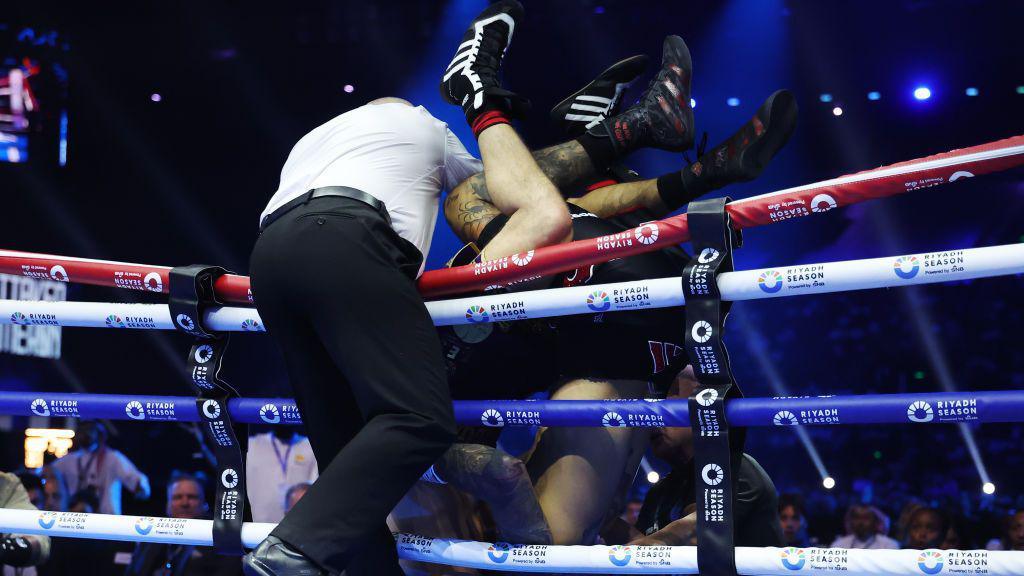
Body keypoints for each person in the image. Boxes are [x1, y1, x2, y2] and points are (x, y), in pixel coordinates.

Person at [244, 2, 571, 573]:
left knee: (347, 453)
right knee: (418, 419)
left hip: (271, 258)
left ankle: (327, 560)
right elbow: (515, 191)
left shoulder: (314, 140)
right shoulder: (426, 127)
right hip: (347, 242)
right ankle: (290, 546)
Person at [431, 44, 795, 545]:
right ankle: (517, 106)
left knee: (526, 203)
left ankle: (656, 156)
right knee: (476, 196)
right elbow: (682, 535)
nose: (667, 426)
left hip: (634, 302)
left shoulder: (638, 441)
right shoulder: (704, 454)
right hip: (617, 316)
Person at [625, 368, 783, 547]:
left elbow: (696, 532)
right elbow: (647, 553)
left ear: (703, 406)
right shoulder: (660, 491)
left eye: (664, 402)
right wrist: (603, 520)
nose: (653, 417)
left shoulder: (738, 470)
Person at [125, 473, 241, 576]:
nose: (184, 503)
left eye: (192, 497)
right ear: (167, 505)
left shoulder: (221, 538)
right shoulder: (151, 536)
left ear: (204, 504)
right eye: (177, 497)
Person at [50, 421, 150, 515]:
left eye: (89, 431)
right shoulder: (69, 459)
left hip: (107, 519)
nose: (85, 435)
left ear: (100, 436)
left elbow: (135, 479)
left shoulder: (112, 458)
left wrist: (139, 486)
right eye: (83, 431)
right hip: (77, 517)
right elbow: (46, 471)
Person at [245, 428, 318, 522]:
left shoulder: (309, 446)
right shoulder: (252, 445)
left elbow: (314, 486)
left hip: (296, 522)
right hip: (260, 522)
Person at [1, 472, 50, 576]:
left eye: (35, 502)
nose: (35, 508)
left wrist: (13, 547)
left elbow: (37, 536)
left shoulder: (7, 485)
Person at [830, 504, 899, 549]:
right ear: (851, 521)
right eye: (856, 518)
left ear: (875, 521)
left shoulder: (889, 545)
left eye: (866, 518)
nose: (860, 522)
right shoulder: (839, 544)